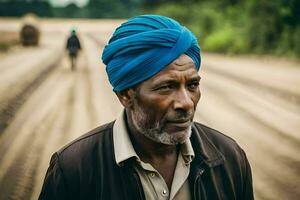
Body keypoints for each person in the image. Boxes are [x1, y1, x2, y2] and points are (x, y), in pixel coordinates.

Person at [39, 15, 254, 200]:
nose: (186, 102)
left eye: (192, 85)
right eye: (166, 87)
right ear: (125, 95)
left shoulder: (230, 159)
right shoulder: (73, 169)